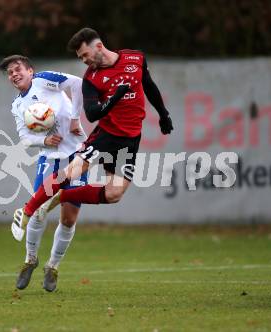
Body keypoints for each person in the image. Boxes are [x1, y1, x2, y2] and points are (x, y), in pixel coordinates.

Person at [13, 27, 173, 258]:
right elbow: (92, 113)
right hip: (106, 136)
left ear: (98, 46)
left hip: (130, 140)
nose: (84, 60)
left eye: (85, 55)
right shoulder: (91, 78)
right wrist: (115, 98)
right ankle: (26, 212)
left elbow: (148, 84)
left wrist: (163, 113)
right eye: (80, 58)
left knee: (114, 194)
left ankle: (64, 196)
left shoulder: (135, 58)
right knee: (69, 172)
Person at [0, 55, 88, 292]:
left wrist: (76, 118)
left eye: (17, 69)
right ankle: (30, 260)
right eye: (9, 73)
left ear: (30, 70)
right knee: (39, 211)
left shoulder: (45, 80)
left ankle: (53, 266)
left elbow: (78, 83)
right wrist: (44, 139)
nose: (14, 75)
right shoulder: (18, 106)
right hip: (49, 159)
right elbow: (25, 138)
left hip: (78, 155)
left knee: (68, 217)